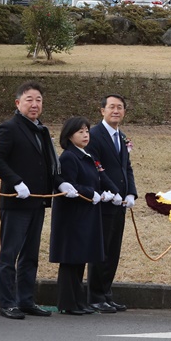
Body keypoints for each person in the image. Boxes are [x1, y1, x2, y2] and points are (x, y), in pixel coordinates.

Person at [0, 81, 57, 319]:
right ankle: (7, 303)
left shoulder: (41, 130)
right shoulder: (9, 128)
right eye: (29, 99)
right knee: (10, 255)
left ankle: (26, 299)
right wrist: (16, 181)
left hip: (37, 201)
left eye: (38, 99)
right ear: (18, 103)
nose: (34, 104)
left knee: (31, 254)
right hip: (15, 202)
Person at [50, 117, 110, 315]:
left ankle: (79, 301)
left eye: (87, 131)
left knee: (80, 259)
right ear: (69, 136)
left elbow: (94, 180)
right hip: (72, 217)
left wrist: (103, 192)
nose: (85, 135)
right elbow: (68, 184)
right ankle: (68, 303)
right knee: (71, 260)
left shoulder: (85, 155)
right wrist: (88, 191)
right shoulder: (69, 157)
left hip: (85, 214)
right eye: (80, 132)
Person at [91, 94, 137, 312]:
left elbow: (127, 168)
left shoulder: (122, 136)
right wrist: (114, 191)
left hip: (120, 204)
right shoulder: (94, 135)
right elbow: (96, 167)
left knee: (113, 250)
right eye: (111, 107)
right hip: (103, 201)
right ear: (102, 111)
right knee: (100, 251)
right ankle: (95, 296)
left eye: (120, 107)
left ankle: (107, 293)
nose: (116, 111)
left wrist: (131, 193)